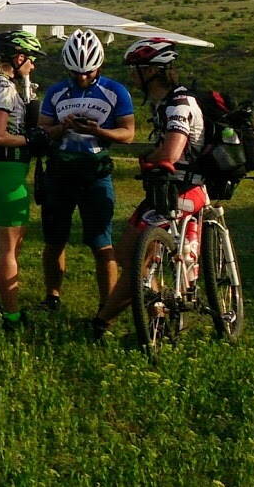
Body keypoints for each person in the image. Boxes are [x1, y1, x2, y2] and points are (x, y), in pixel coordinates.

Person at [90, 37, 208, 338]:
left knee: (138, 261)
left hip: (183, 190)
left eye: (136, 69)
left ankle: (107, 321)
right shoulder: (164, 102)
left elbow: (171, 153)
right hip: (166, 189)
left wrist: (147, 158)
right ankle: (154, 314)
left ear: (152, 71)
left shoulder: (178, 105)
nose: (132, 75)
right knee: (127, 255)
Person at [35, 29, 135, 314]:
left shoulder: (115, 91)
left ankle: (106, 307)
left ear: (98, 67)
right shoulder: (56, 92)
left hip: (95, 174)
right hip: (60, 173)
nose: (81, 78)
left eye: (88, 73)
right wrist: (62, 127)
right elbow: (42, 131)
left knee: (102, 244)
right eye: (75, 73)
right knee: (54, 241)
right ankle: (52, 297)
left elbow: (128, 133)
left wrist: (99, 131)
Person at [0, 30, 48, 331]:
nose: (33, 65)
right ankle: (13, 315)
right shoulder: (4, 89)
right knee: (9, 250)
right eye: (30, 60)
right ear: (19, 58)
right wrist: (30, 140)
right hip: (7, 172)